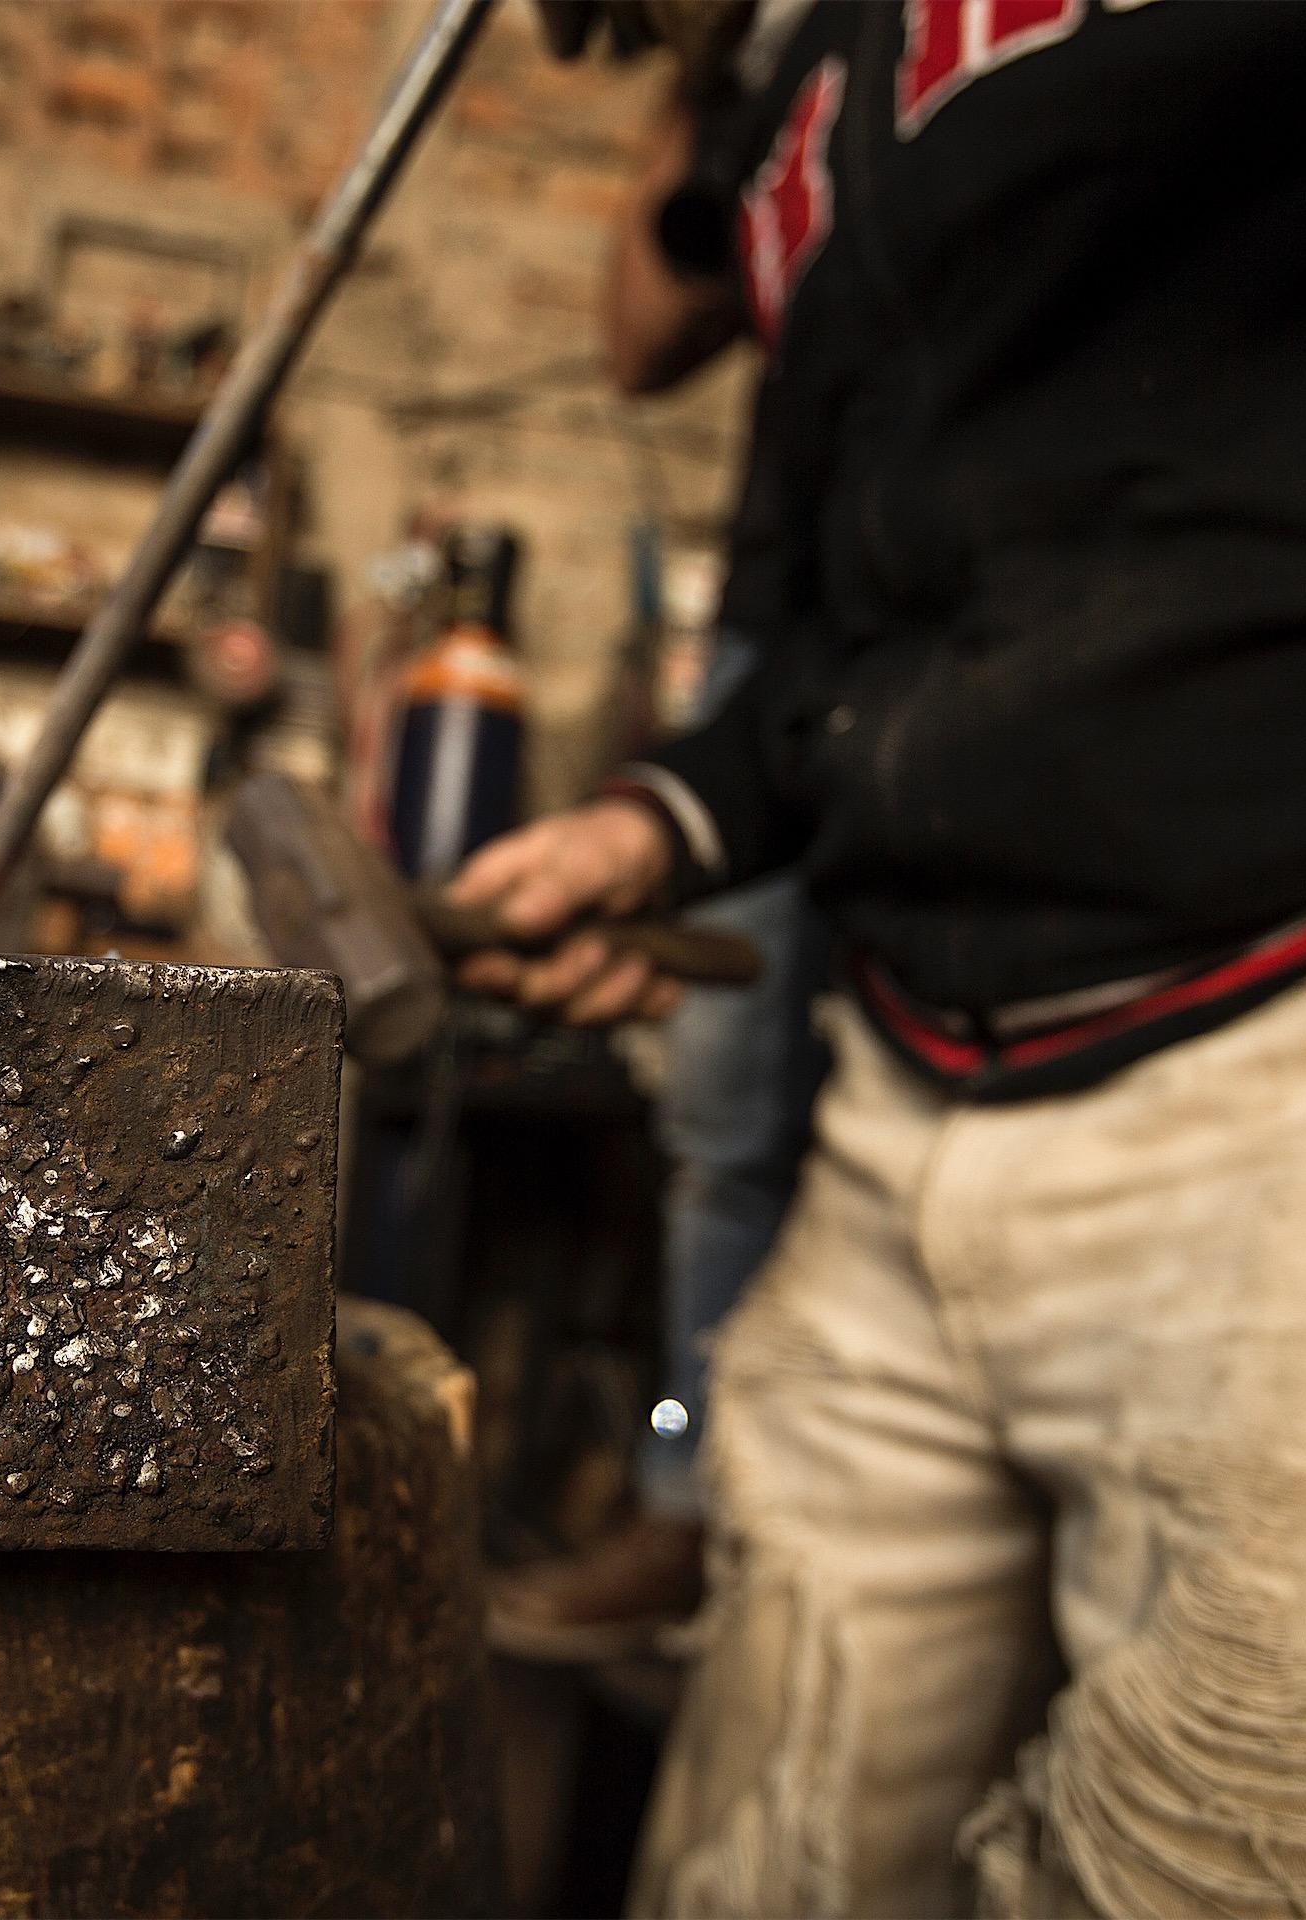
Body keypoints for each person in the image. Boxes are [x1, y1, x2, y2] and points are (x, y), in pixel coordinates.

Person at [453, 3, 1306, 1914]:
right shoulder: (818, 84)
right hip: (905, 1117)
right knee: (754, 1877)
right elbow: (838, 597)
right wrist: (665, 820)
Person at [489, 75, 835, 1663]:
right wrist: (704, 86)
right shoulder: (782, 54)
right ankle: (687, 1493)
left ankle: (797, 1527)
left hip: (1051, 627)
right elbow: (642, 338)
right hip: (799, 633)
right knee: (725, 1113)